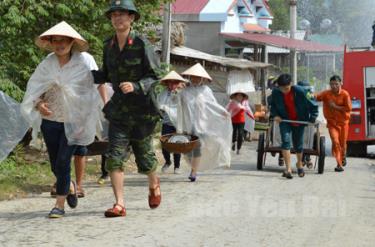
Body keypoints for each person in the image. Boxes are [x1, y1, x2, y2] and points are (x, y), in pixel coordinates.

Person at [21, 21, 101, 218]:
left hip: (74, 121)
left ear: (72, 42)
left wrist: (85, 120)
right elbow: (34, 89)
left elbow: (91, 92)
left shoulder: (83, 62)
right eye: (55, 41)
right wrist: (39, 104)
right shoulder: (46, 63)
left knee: (64, 161)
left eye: (63, 40)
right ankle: (70, 186)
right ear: (50, 43)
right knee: (55, 164)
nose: (59, 45)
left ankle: (59, 204)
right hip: (50, 120)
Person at [92, 0, 161, 217]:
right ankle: (120, 204)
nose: (118, 18)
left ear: (131, 18)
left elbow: (154, 75)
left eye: (122, 14)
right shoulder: (107, 45)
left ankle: (154, 183)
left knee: (145, 158)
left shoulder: (142, 44)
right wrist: (81, 71)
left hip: (142, 111)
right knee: (114, 155)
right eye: (114, 15)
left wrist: (137, 85)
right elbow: (105, 74)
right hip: (119, 111)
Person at [159, 64, 232, 182]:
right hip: (188, 126)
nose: (195, 79)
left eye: (198, 77)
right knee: (188, 151)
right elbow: (175, 102)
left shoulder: (206, 91)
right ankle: (189, 166)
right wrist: (173, 94)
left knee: (198, 148)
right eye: (193, 77)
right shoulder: (184, 91)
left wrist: (223, 112)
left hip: (202, 125)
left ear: (203, 78)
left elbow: (212, 105)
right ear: (189, 77)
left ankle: (194, 172)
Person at [270, 74, 318, 179]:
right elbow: (272, 105)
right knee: (286, 141)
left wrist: (312, 118)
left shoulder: (302, 91)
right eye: (281, 88)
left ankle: (299, 164)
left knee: (298, 144)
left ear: (291, 84)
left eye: (286, 88)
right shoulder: (275, 92)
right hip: (285, 120)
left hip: (299, 120)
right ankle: (288, 169)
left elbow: (313, 104)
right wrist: (275, 115)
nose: (284, 91)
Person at [315, 75, 351, 172]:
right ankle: (339, 164)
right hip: (331, 123)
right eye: (332, 84)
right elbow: (316, 97)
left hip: (343, 123)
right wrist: (308, 94)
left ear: (341, 83)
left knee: (343, 143)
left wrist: (335, 107)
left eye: (336, 84)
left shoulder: (345, 94)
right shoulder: (326, 94)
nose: (334, 86)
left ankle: (343, 156)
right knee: (335, 142)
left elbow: (348, 108)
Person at [297, 80, 314, 169]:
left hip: (306, 121)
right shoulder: (293, 95)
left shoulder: (310, 96)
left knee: (307, 138)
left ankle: (306, 158)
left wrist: (312, 118)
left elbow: (313, 108)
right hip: (295, 121)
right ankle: (304, 159)